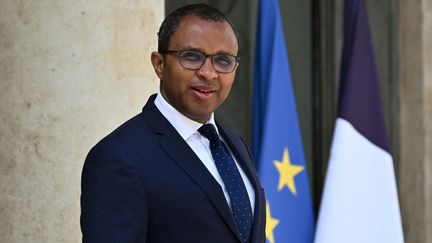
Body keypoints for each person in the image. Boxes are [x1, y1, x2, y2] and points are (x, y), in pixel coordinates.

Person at [80, 3, 265, 243]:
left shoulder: (234, 144)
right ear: (159, 64)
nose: (209, 73)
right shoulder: (118, 157)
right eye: (192, 57)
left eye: (223, 60)